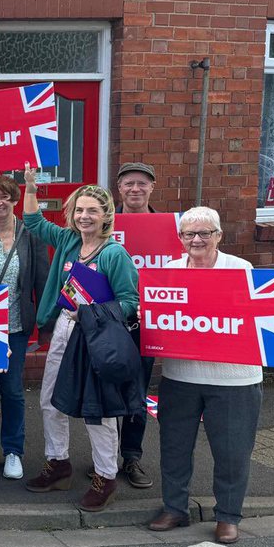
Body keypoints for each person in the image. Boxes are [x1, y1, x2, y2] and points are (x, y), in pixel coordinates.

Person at [147, 207, 274, 545]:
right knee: (174, 446)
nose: (196, 240)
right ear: (181, 238)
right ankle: (174, 508)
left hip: (234, 380)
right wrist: (149, 313)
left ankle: (228, 516)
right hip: (180, 376)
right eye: (189, 234)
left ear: (218, 236)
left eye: (204, 233)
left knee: (232, 451)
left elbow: (257, 315)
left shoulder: (240, 269)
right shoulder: (169, 271)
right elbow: (163, 316)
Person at [20, 165, 139, 511]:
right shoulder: (70, 241)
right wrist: (30, 187)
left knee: (97, 411)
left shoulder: (114, 254)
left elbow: (130, 302)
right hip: (64, 331)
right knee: (49, 400)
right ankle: (58, 465)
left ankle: (105, 476)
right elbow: (34, 223)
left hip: (96, 338)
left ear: (106, 216)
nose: (84, 216)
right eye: (79, 210)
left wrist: (91, 311)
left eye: (92, 210)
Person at [0, 175, 49, 481]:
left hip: (15, 324)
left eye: (5, 197)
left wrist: (44, 325)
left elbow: (41, 277)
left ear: (16, 200)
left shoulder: (30, 232)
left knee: (12, 389)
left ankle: (14, 450)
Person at [113, 160, 161, 490]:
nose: (135, 189)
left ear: (152, 188)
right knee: (102, 392)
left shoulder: (169, 228)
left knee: (137, 392)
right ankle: (102, 460)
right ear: (119, 189)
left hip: (148, 321)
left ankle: (131, 456)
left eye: (142, 184)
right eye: (129, 183)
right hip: (108, 321)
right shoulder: (104, 222)